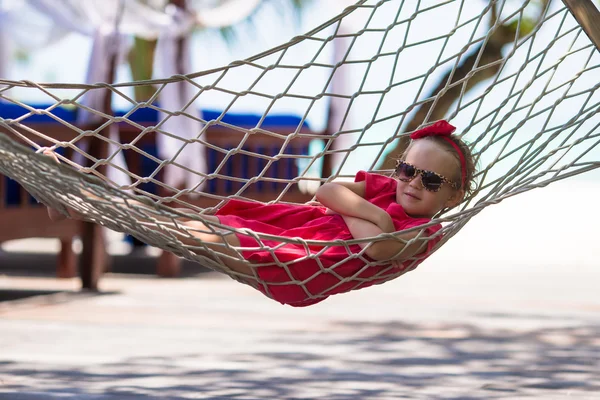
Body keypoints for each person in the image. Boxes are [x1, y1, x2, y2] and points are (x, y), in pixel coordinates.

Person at [46, 120, 476, 307]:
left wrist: (375, 220)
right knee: (189, 226)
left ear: (453, 196)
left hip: (302, 262)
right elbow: (326, 189)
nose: (413, 184)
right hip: (290, 231)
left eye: (431, 181)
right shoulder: (384, 190)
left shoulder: (425, 231)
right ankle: (85, 198)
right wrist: (375, 215)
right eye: (408, 170)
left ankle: (89, 200)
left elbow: (378, 248)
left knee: (192, 235)